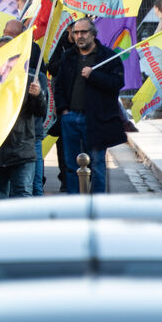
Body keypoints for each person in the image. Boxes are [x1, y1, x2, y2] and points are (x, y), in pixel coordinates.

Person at [47, 17, 127, 193]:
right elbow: (59, 85)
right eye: (76, 32)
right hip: (70, 118)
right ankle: (76, 202)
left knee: (97, 164)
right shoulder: (69, 56)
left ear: (93, 34)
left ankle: (97, 202)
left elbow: (117, 83)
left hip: (96, 119)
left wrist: (94, 76)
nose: (79, 36)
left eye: (83, 32)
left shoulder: (107, 56)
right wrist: (64, 110)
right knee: (71, 165)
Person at [0, 49, 47, 199]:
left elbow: (40, 111)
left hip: (21, 150)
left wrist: (37, 95)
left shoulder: (29, 80)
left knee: (22, 194)